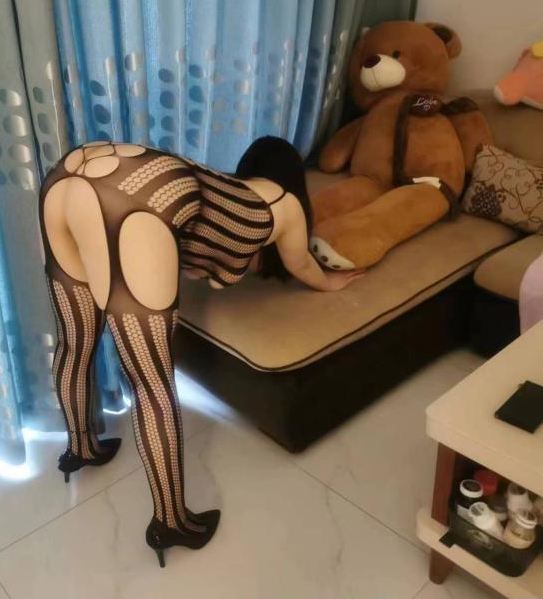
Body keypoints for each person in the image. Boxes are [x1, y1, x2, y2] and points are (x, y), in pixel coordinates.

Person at [39, 136, 363, 567]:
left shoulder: (221, 183)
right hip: (135, 201)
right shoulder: (286, 206)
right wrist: (331, 281)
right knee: (152, 383)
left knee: (73, 342)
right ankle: (171, 521)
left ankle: (80, 448)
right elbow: (302, 263)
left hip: (69, 172)